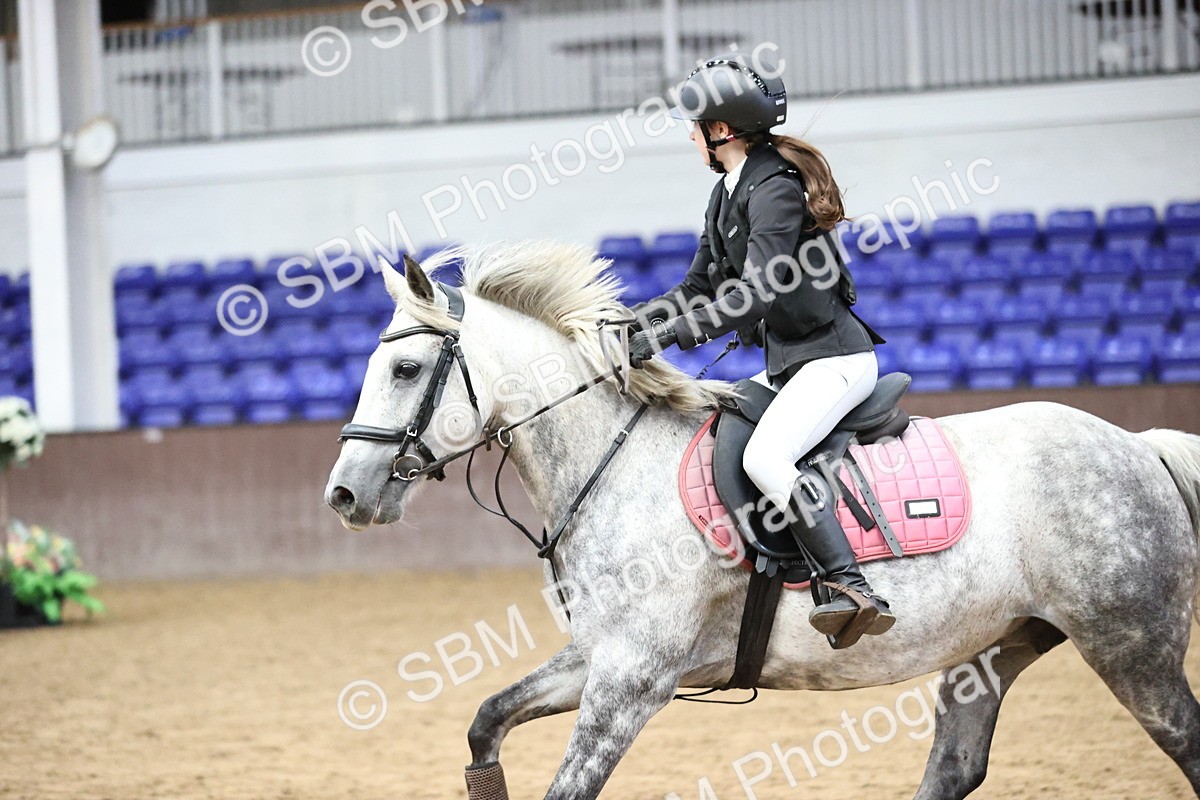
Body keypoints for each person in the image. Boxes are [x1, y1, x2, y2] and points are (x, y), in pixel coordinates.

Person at [626, 53, 895, 642]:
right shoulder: (728, 192)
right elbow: (698, 286)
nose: (689, 135)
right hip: (792, 366)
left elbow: (756, 292)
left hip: (835, 361)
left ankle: (849, 582)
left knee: (766, 459)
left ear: (720, 131)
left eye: (694, 125)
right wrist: (629, 326)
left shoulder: (773, 188)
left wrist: (672, 335)